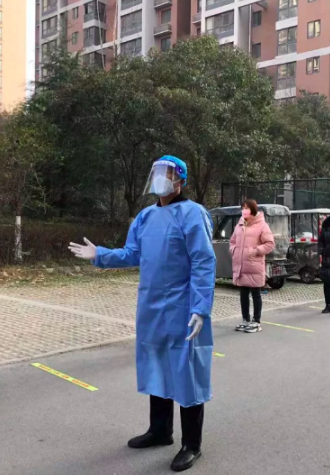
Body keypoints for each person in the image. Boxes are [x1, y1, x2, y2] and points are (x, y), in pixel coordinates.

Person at [69, 156, 216, 473]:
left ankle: (192, 444)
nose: (161, 178)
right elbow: (132, 253)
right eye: (157, 172)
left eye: (167, 173)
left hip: (182, 307)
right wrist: (100, 254)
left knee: (186, 372)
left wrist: (200, 308)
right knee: (156, 367)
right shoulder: (146, 217)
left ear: (180, 181)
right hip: (151, 306)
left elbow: (203, 262)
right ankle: (160, 430)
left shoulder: (193, 214)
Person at [229, 199, 275, 333]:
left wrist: (255, 251)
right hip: (241, 266)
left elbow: (270, 244)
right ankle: (245, 319)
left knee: (255, 293)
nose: (244, 210)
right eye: (243, 208)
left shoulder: (262, 225)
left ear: (253, 210)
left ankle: (256, 321)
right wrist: (234, 250)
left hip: (254, 266)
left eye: (247, 208)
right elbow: (232, 241)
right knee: (243, 294)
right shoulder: (239, 224)